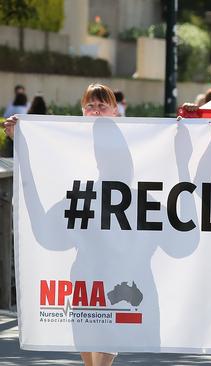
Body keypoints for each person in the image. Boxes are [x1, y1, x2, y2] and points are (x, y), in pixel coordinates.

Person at [4, 84, 120, 366]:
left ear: (115, 110)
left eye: (102, 105)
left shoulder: (134, 140)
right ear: (82, 110)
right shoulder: (69, 142)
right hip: (81, 251)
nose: (95, 110)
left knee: (109, 323)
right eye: (90, 105)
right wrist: (19, 137)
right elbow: (45, 170)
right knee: (83, 324)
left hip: (118, 251)